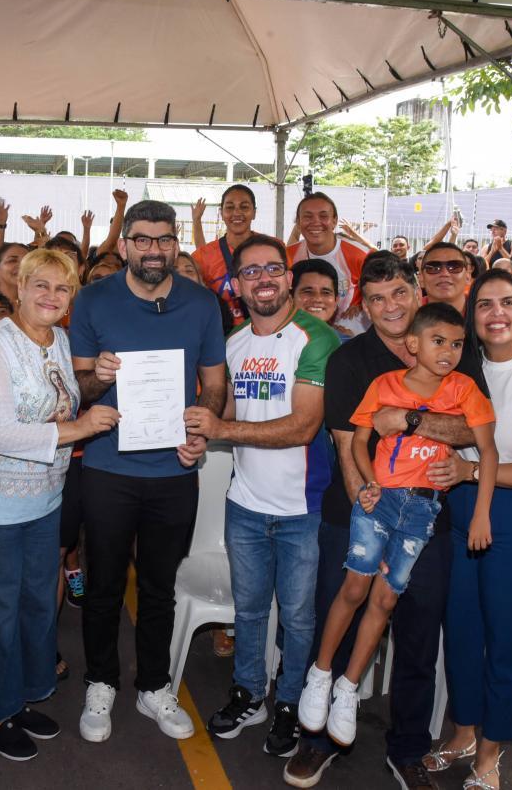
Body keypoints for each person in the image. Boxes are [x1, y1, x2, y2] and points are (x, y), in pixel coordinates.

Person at [284, 253, 488, 790]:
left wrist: (415, 420)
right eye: (376, 299)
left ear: (417, 293)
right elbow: (350, 444)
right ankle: (317, 740)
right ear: (364, 306)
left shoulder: (450, 348)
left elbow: (474, 432)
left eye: (399, 293)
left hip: (429, 519)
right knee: (344, 612)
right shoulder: (351, 360)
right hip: (358, 512)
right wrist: (370, 513)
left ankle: (408, 748)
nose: (389, 307)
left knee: (418, 636)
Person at [69, 199, 227, 743]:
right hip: (109, 468)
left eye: (164, 239)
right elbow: (80, 390)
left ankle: (154, 687)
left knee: (160, 587)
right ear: (124, 245)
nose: (154, 249)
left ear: (176, 243)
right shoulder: (92, 300)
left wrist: (202, 429)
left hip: (173, 471)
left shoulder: (202, 304)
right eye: (143, 239)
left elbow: (213, 383)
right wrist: (101, 379)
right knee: (105, 584)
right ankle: (101, 682)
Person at [184, 236, 340, 757]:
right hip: (245, 504)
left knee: (297, 617)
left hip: (302, 508)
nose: (263, 279)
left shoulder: (317, 339)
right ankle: (250, 692)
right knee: (249, 611)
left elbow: (303, 426)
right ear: (235, 285)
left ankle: (290, 703)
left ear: (288, 275)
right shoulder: (230, 342)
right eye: (250, 272)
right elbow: (218, 407)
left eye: (273, 268)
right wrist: (197, 433)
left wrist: (221, 428)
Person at [0, 249, 118, 761]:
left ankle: (21, 697)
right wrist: (80, 428)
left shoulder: (60, 340)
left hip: (46, 498)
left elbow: (63, 399)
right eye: (42, 286)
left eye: (63, 288)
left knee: (34, 609)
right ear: (19, 288)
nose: (52, 297)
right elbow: (0, 431)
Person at [425, 270, 512, 790]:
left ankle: (491, 752)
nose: (496, 314)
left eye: (507, 304)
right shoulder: (459, 374)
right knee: (461, 633)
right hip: (459, 510)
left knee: (505, 639)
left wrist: (472, 471)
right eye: (484, 306)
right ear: (472, 318)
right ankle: (463, 731)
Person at [286, 192, 369, 338]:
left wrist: (362, 303)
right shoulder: (288, 255)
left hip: (349, 329)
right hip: (304, 328)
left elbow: (385, 285)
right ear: (298, 223)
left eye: (323, 216)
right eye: (308, 216)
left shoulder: (360, 254)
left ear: (334, 221)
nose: (316, 222)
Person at [192, 184, 259, 327]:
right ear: (221, 213)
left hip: (265, 336)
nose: (237, 213)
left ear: (254, 212)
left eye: (244, 206)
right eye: (229, 207)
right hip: (221, 337)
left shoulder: (273, 249)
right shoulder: (202, 256)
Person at [291, 258, 346, 339]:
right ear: (289, 298)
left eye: (326, 292)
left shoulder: (348, 346)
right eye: (308, 291)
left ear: (336, 301)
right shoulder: (270, 342)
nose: (318, 299)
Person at [420, 241, 472, 314]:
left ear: (468, 276)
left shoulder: (484, 312)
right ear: (421, 278)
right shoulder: (410, 314)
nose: (444, 273)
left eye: (454, 267)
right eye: (434, 268)